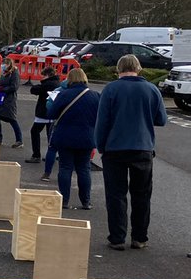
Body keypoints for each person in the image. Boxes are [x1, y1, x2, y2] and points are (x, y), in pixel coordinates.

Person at [95, 54, 168, 250]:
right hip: (143, 147)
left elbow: (101, 123)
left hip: (115, 149)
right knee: (142, 195)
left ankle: (117, 238)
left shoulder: (110, 89)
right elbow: (161, 119)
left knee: (116, 194)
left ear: (118, 69)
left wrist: (100, 146)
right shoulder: (152, 90)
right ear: (139, 68)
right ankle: (140, 237)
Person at [44, 68, 99, 209]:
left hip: (65, 136)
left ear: (69, 79)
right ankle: (86, 201)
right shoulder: (95, 96)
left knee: (65, 167)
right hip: (86, 137)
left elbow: (51, 113)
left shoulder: (64, 94)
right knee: (84, 169)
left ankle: (64, 201)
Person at [26, 64, 61, 164]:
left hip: (44, 113)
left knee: (35, 131)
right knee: (50, 134)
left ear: (48, 75)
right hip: (52, 113)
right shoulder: (57, 83)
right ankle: (51, 154)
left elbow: (34, 90)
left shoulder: (48, 84)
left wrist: (38, 86)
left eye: (44, 75)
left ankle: (36, 155)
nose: (42, 77)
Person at [0, 57, 23, 148]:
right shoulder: (4, 73)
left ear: (9, 64)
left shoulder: (15, 73)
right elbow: (0, 82)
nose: (2, 66)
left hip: (8, 98)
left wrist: (4, 89)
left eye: (4, 64)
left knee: (12, 119)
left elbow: (14, 87)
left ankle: (19, 140)